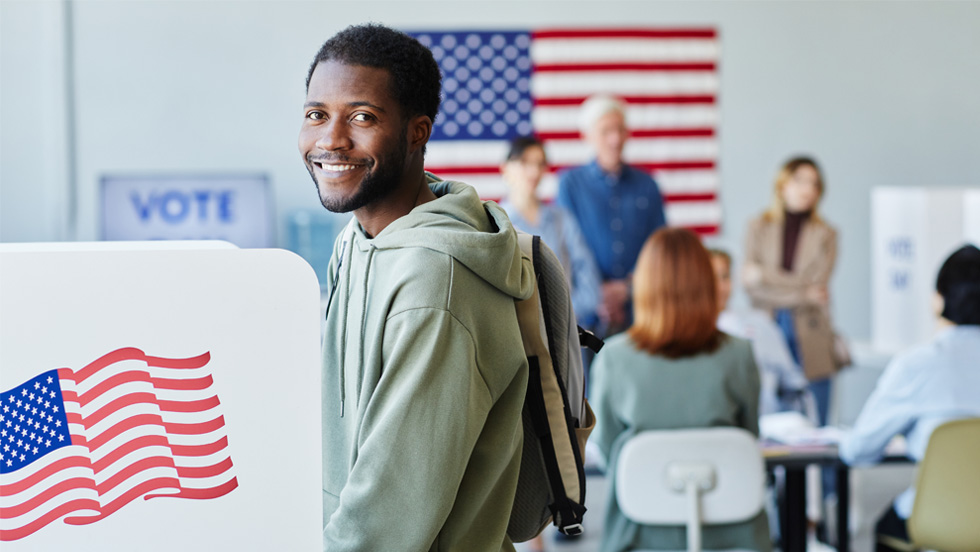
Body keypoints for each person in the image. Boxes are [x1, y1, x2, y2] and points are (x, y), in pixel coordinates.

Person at [300, 24, 534, 551]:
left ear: (416, 131)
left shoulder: (437, 280)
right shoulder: (356, 241)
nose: (331, 139)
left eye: (363, 117)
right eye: (317, 114)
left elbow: (388, 518)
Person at [591, 228, 770, 552]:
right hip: (731, 532)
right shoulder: (739, 354)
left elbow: (609, 452)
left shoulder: (614, 358)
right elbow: (747, 437)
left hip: (640, 531)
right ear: (705, 284)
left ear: (645, 286)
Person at [840, 244, 980, 552]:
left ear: (937, 300)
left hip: (939, 521)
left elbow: (857, 450)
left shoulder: (918, 363)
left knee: (886, 526)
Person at [557, 95, 667, 336]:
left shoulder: (647, 185)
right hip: (586, 316)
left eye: (620, 130)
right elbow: (567, 246)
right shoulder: (570, 184)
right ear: (587, 136)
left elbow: (659, 245)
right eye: (606, 131)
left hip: (642, 309)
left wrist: (627, 288)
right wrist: (598, 293)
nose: (615, 139)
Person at [742, 156, 841, 427]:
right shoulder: (758, 227)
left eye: (814, 184)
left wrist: (765, 276)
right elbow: (752, 288)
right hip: (769, 326)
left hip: (811, 333)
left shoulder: (826, 234)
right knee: (772, 421)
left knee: (818, 425)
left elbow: (818, 286)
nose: (807, 189)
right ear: (783, 184)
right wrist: (801, 291)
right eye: (800, 181)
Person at [499, 136, 601, 327]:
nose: (534, 171)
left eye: (540, 164)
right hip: (516, 335)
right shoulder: (494, 223)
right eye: (525, 162)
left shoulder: (563, 219)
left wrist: (563, 316)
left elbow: (588, 278)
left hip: (566, 330)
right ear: (505, 168)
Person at [709, 248, 811, 417]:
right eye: (711, 278)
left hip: (767, 422)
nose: (720, 286)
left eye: (724, 277)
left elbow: (793, 382)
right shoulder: (691, 333)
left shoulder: (759, 324)